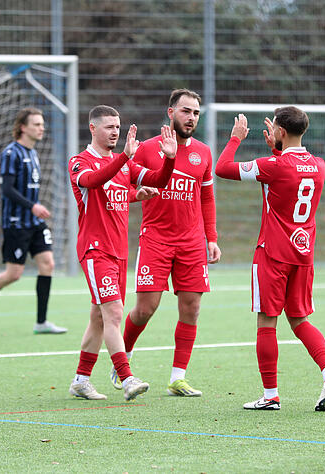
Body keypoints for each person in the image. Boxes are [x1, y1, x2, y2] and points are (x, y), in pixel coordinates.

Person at [215, 108, 325, 412]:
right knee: (299, 319)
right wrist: (276, 146)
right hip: (304, 253)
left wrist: (235, 139)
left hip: (272, 253)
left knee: (266, 321)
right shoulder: (320, 166)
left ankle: (271, 394)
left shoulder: (272, 165)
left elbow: (222, 168)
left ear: (281, 131)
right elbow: (292, 169)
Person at [113, 89, 220, 397]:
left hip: (191, 242)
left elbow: (207, 197)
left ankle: (178, 377)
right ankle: (124, 362)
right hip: (156, 240)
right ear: (171, 112)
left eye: (196, 113)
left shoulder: (203, 152)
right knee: (146, 308)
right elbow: (123, 187)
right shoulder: (146, 149)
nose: (191, 117)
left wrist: (211, 238)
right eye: (186, 111)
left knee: (192, 307)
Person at [66, 105, 177, 401]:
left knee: (99, 318)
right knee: (114, 313)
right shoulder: (80, 161)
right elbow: (93, 182)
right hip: (95, 249)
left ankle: (80, 380)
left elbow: (157, 180)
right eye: (109, 127)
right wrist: (126, 157)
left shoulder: (123, 164)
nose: (115, 132)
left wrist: (169, 159)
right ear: (93, 128)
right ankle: (126, 378)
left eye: (118, 127)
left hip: (118, 252)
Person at [0, 107, 67, 333]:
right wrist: (33, 206)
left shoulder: (33, 154)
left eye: (42, 124)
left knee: (48, 264)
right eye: (37, 124)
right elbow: (7, 189)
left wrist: (35, 210)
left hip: (34, 223)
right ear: (23, 127)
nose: (41, 128)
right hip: (15, 223)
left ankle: (41, 322)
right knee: (13, 274)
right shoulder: (11, 153)